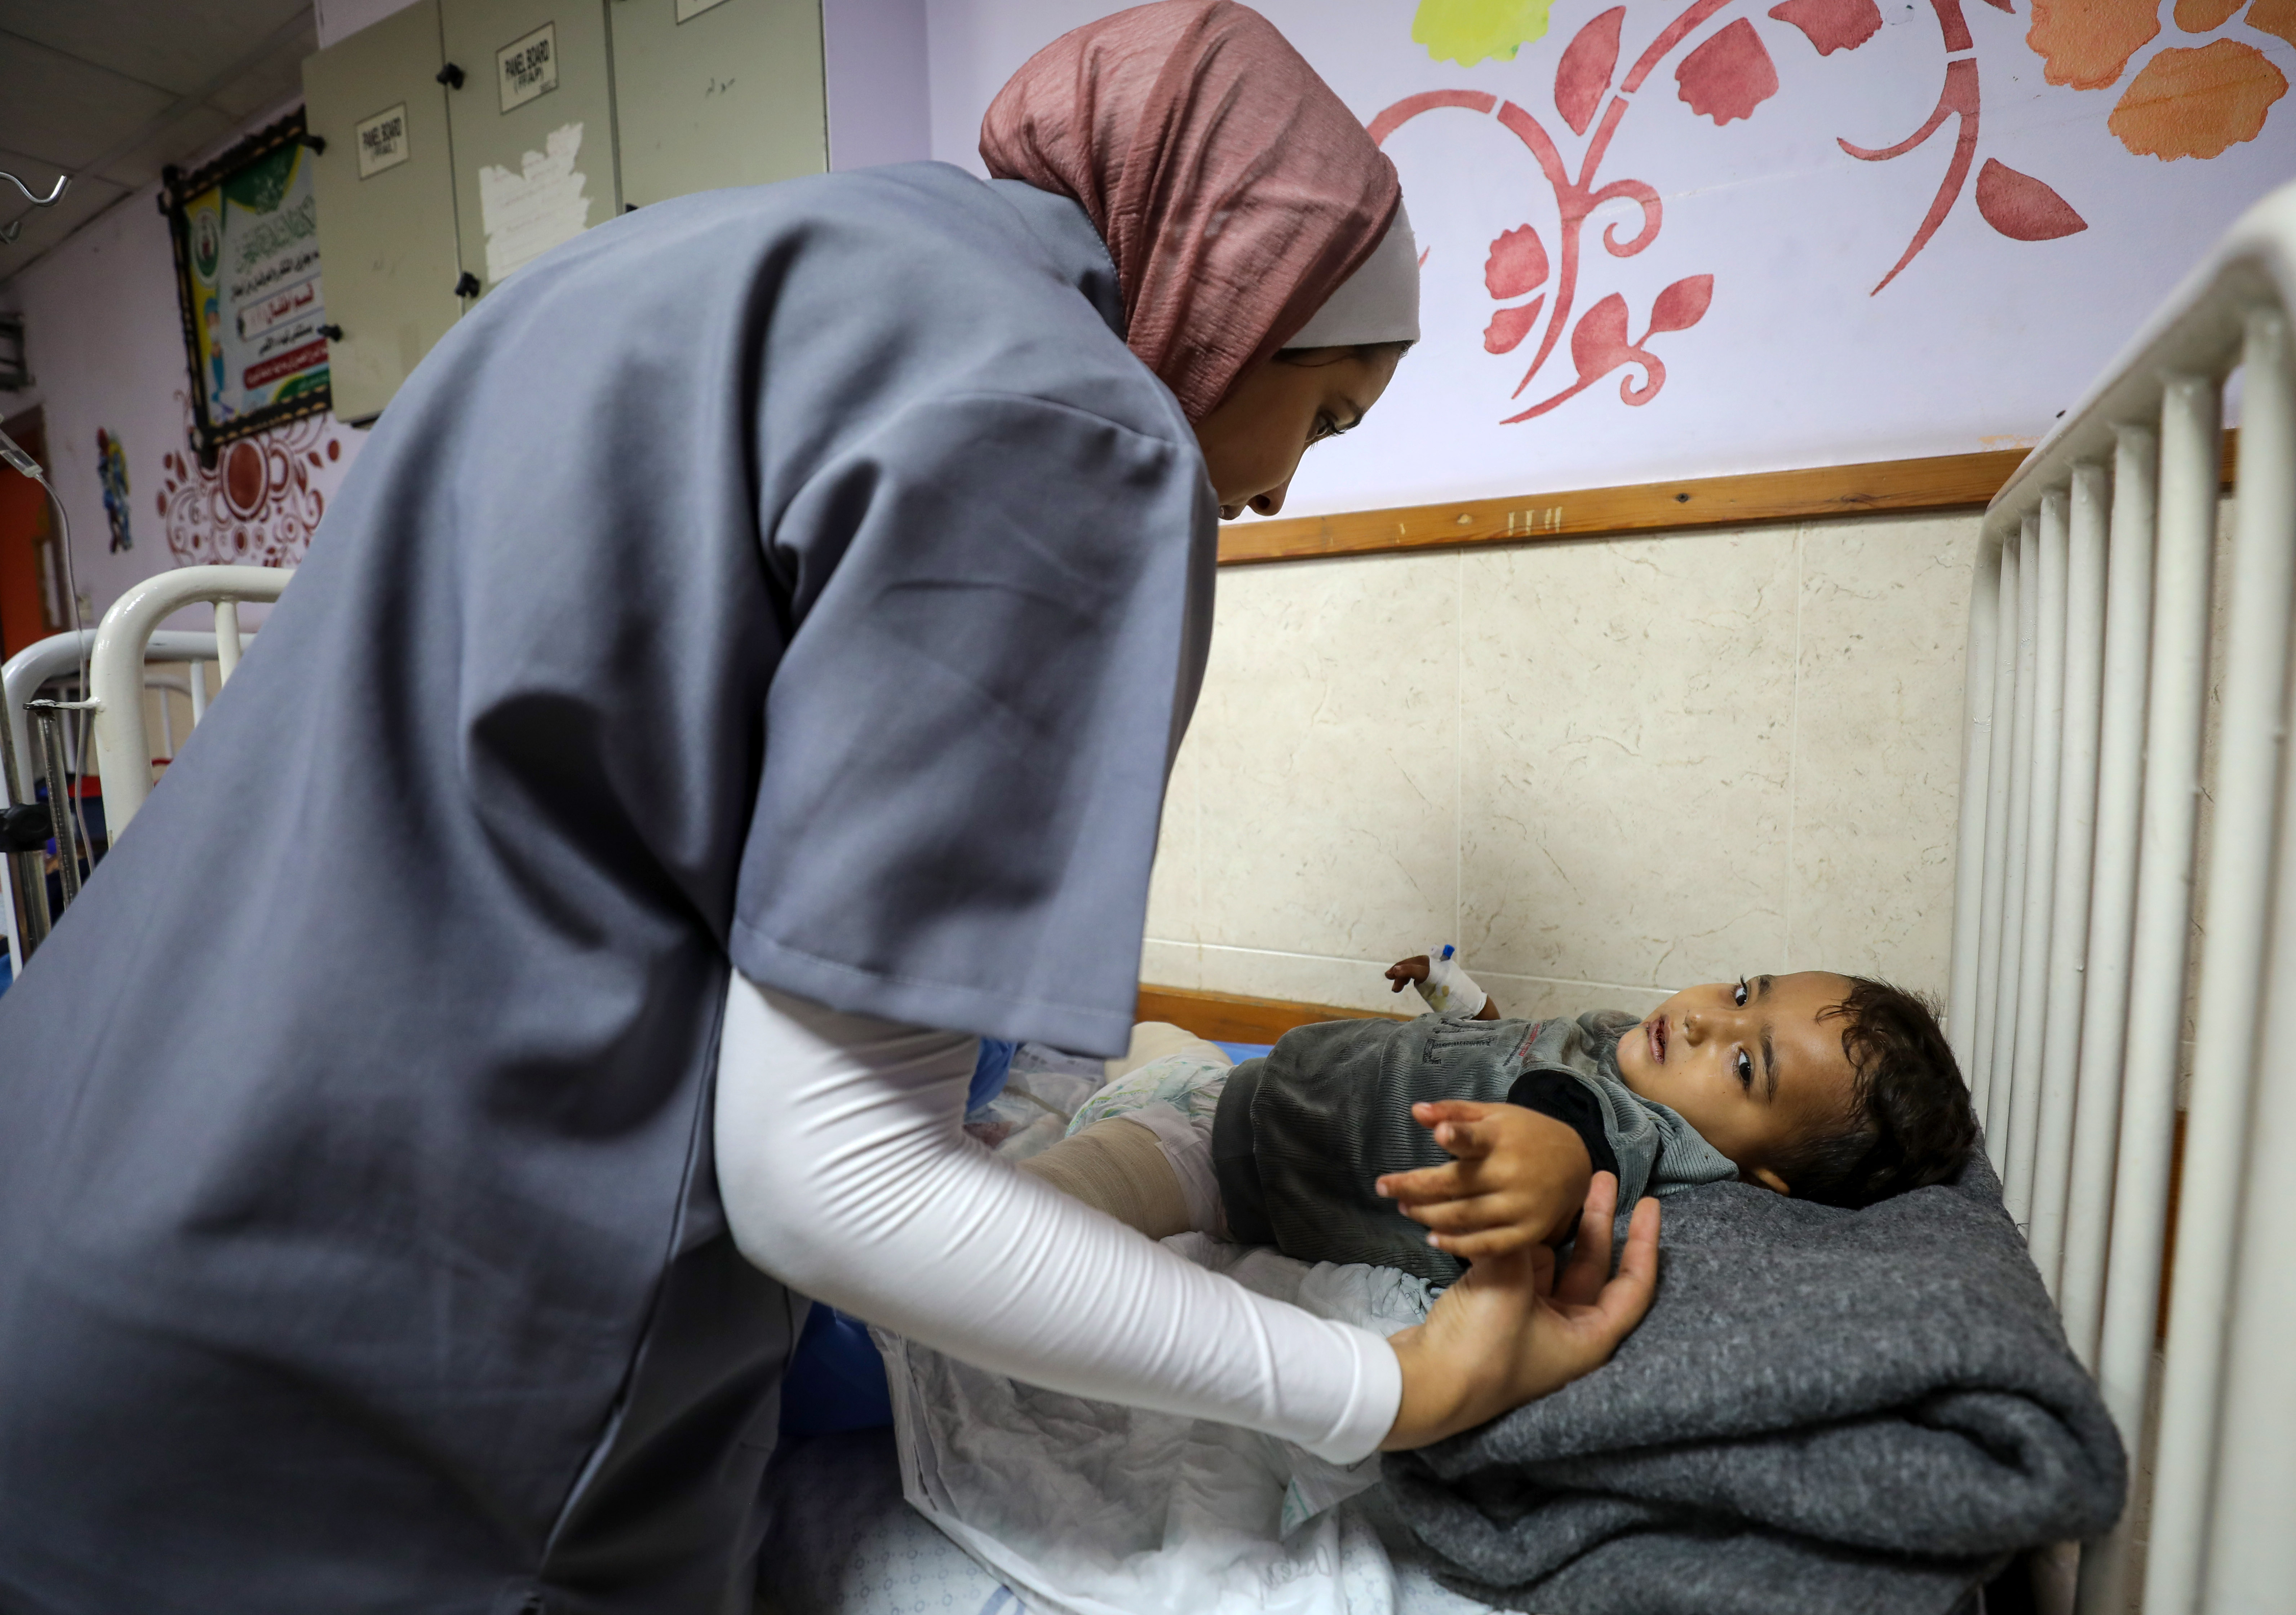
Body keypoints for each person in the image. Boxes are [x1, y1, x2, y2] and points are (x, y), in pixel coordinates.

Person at [0, 6, 1661, 1612]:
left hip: (81, 1187)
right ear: (1245, 289)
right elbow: (837, 1181)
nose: (1286, 484)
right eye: (1330, 408)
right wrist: (1388, 1384)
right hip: (364, 1400)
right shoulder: (1070, 419)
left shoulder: (671, 266)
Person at [1029, 956, 1976, 1283]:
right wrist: (1459, 997)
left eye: (1743, 1064)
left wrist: (1550, 1173)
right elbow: (1521, 1051)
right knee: (1160, 1044)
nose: (1704, 1020)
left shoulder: (1625, 1132)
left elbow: (1561, 1134)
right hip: (1248, 1080)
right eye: (1741, 993)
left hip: (1218, 1154)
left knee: (1031, 1212)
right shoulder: (1628, 1048)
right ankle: (1145, 1055)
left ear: (1767, 1177)